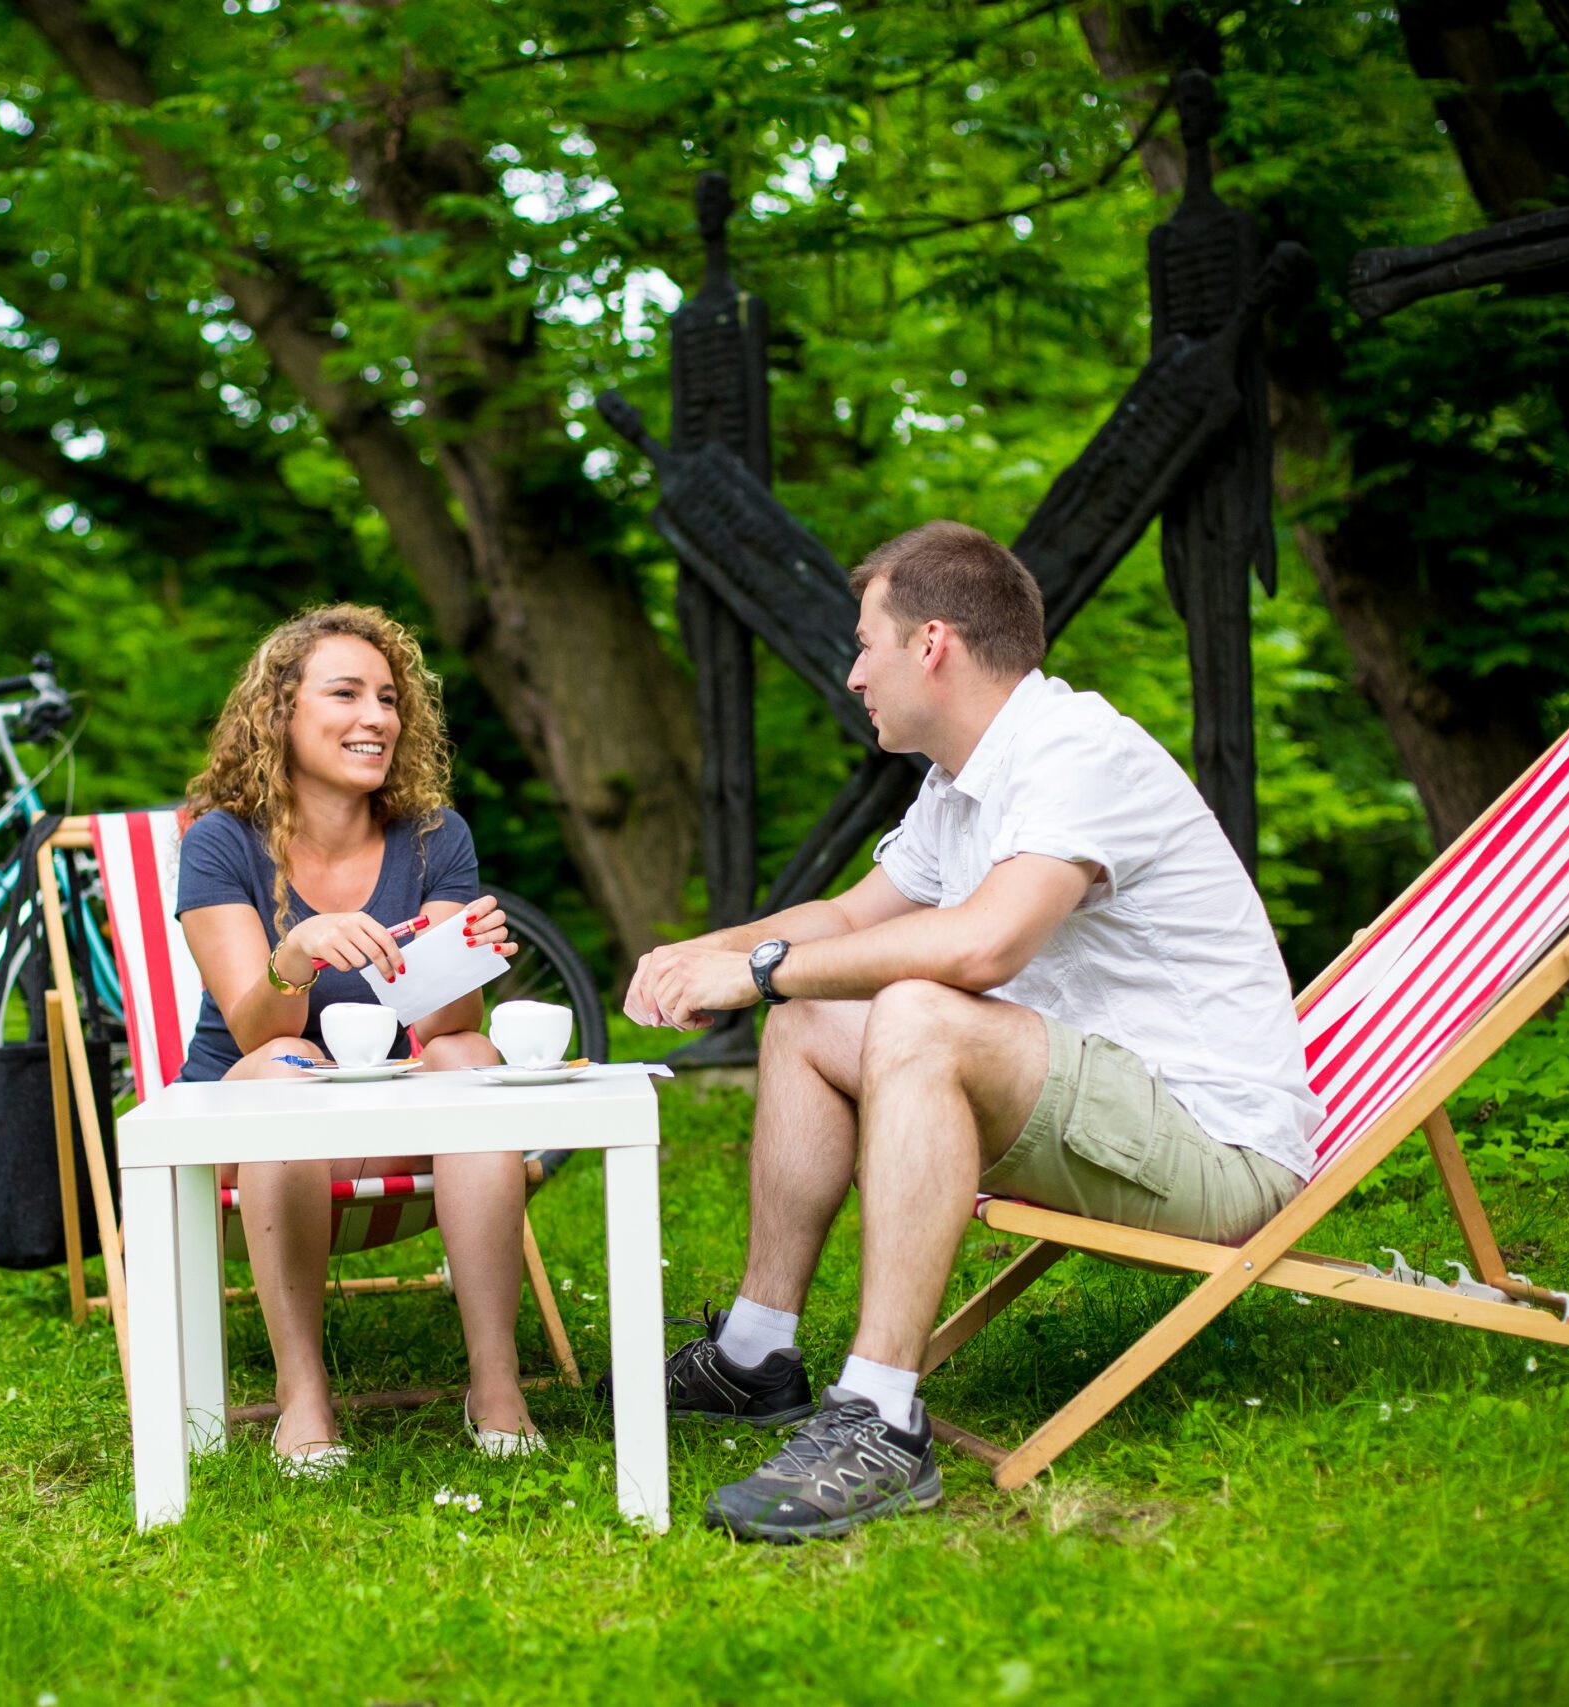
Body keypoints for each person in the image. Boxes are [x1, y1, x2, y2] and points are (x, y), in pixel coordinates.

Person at [621, 521, 1320, 1542]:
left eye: (867, 644)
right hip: (1100, 1113)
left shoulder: (1075, 750)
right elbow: (849, 919)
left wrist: (758, 971)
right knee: (813, 1011)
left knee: (917, 1010)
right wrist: (708, 951)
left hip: (1213, 1150)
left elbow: (985, 945)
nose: (855, 673)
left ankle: (880, 1420)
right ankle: (755, 1355)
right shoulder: (960, 783)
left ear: (932, 643)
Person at [176, 604, 536, 1475]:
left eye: (388, 698)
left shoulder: (435, 836)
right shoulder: (222, 842)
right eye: (346, 693)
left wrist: (462, 959)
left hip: (384, 1114)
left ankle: (496, 1386)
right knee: (287, 1067)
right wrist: (295, 952)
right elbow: (254, 1028)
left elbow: (446, 1027)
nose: (376, 716)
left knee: (470, 1059)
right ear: (281, 711)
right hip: (250, 1124)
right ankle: (303, 1395)